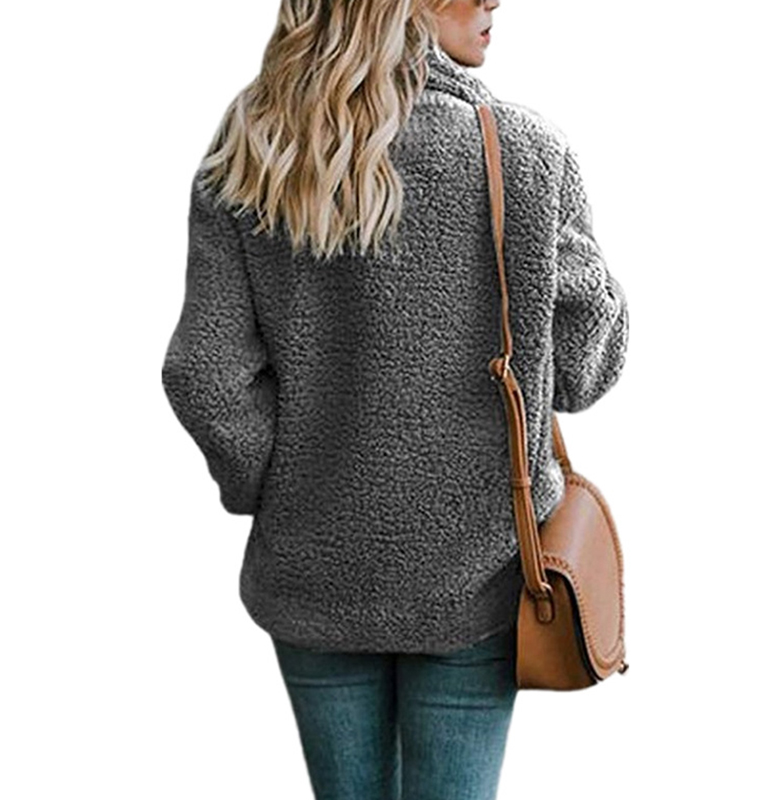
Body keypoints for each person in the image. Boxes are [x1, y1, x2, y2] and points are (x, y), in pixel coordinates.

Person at [161, 1, 630, 798]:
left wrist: (276, 489)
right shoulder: (526, 154)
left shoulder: (256, 153)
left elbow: (206, 375)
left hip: (313, 571)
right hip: (474, 576)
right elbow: (586, 370)